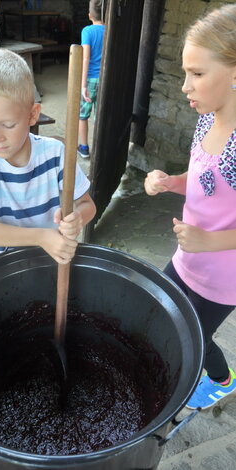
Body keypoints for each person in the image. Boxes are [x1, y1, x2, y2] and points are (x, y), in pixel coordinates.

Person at [144, 3, 236, 410]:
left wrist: (207, 240)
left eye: (197, 74)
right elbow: (202, 180)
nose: (185, 85)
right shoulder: (205, 120)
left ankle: (224, 379)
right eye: (185, 73)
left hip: (222, 278)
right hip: (186, 258)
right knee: (158, 313)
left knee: (195, 338)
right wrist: (170, 182)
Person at [0, 49, 96, 264]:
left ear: (32, 115)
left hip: (50, 258)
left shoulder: (56, 153)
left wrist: (77, 219)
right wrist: (40, 237)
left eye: (8, 125)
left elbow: (87, 205)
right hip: (0, 266)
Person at [77, 0, 105, 159]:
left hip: (90, 80)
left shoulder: (87, 31)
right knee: (99, 116)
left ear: (89, 15)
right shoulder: (110, 30)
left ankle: (84, 148)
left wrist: (82, 85)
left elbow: (85, 58)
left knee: (83, 115)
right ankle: (99, 149)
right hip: (104, 79)